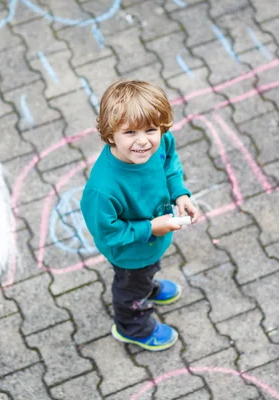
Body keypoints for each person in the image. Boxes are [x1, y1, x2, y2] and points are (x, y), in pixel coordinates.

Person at [80, 79, 199, 351]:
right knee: (130, 288)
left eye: (150, 129)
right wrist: (150, 228)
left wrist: (179, 194)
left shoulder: (161, 143)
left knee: (146, 272)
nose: (143, 141)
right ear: (111, 135)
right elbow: (108, 232)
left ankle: (148, 287)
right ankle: (132, 326)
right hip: (130, 254)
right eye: (130, 132)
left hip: (152, 242)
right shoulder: (103, 189)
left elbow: (170, 165)